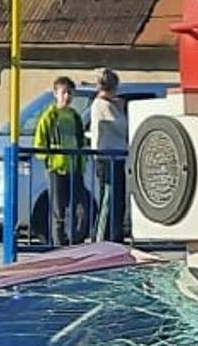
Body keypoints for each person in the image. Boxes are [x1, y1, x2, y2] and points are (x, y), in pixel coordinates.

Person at [31, 77, 87, 249]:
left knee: (81, 208)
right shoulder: (49, 115)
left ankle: (76, 241)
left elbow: (80, 140)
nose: (67, 96)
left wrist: (81, 162)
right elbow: (39, 142)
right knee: (58, 209)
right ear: (56, 94)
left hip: (74, 167)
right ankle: (59, 243)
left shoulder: (75, 116)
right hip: (57, 168)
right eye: (64, 93)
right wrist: (49, 159)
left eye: (70, 93)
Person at [86, 69, 132, 243]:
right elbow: (121, 126)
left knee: (118, 200)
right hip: (107, 157)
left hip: (117, 156)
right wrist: (121, 109)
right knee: (109, 199)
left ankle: (115, 235)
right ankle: (102, 237)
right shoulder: (102, 105)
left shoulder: (110, 104)